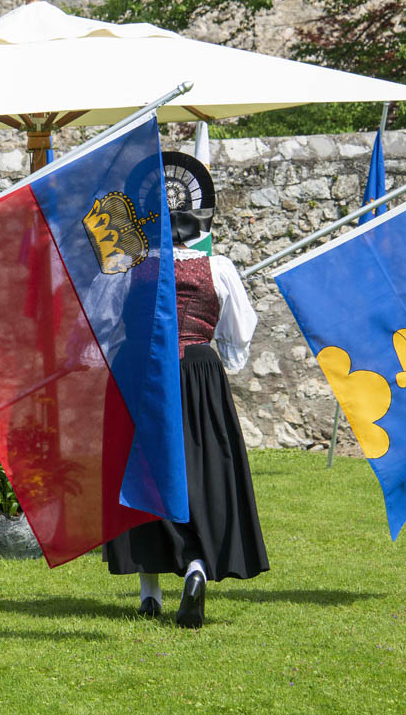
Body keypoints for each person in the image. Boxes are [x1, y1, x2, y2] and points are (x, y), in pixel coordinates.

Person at [103, 190, 269, 628]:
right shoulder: (220, 267)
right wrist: (218, 357)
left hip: (141, 373)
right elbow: (239, 332)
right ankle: (196, 566)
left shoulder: (133, 264)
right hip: (196, 372)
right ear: (198, 226)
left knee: (141, 474)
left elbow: (109, 323)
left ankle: (150, 592)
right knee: (200, 468)